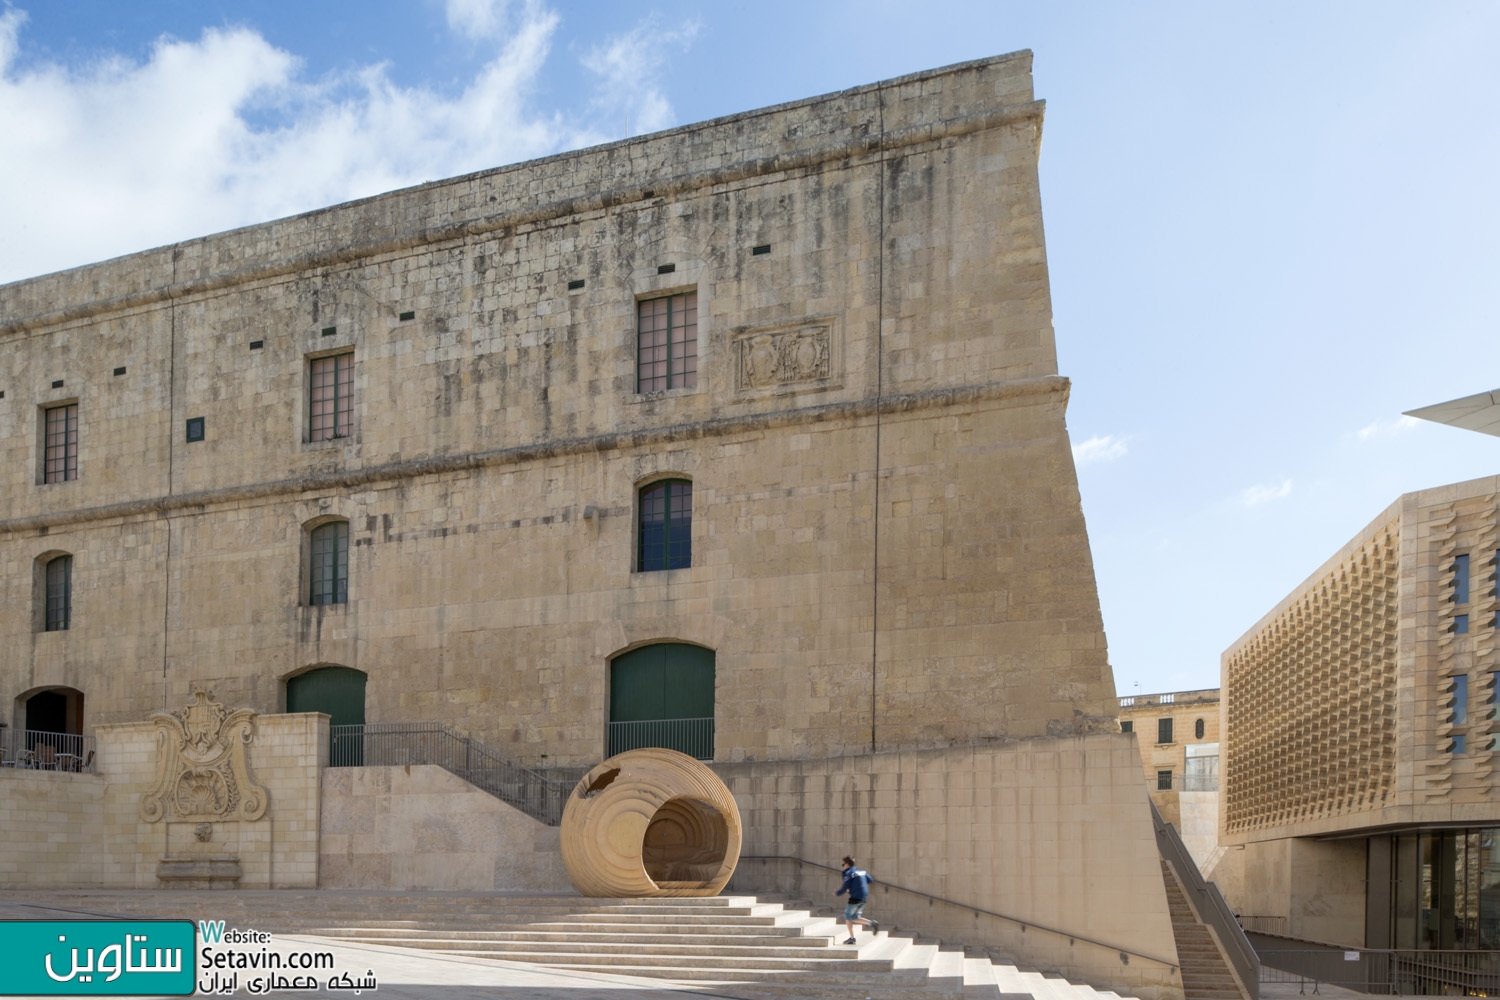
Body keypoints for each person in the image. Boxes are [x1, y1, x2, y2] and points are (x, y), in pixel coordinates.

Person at [835, 855, 879, 944]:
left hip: (855, 897)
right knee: (855, 917)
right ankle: (871, 923)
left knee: (847, 916)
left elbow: (845, 886)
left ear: (847, 864)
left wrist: (838, 893)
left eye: (842, 864)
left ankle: (852, 938)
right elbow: (870, 880)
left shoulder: (848, 873)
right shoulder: (861, 871)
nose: (842, 866)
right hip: (863, 897)